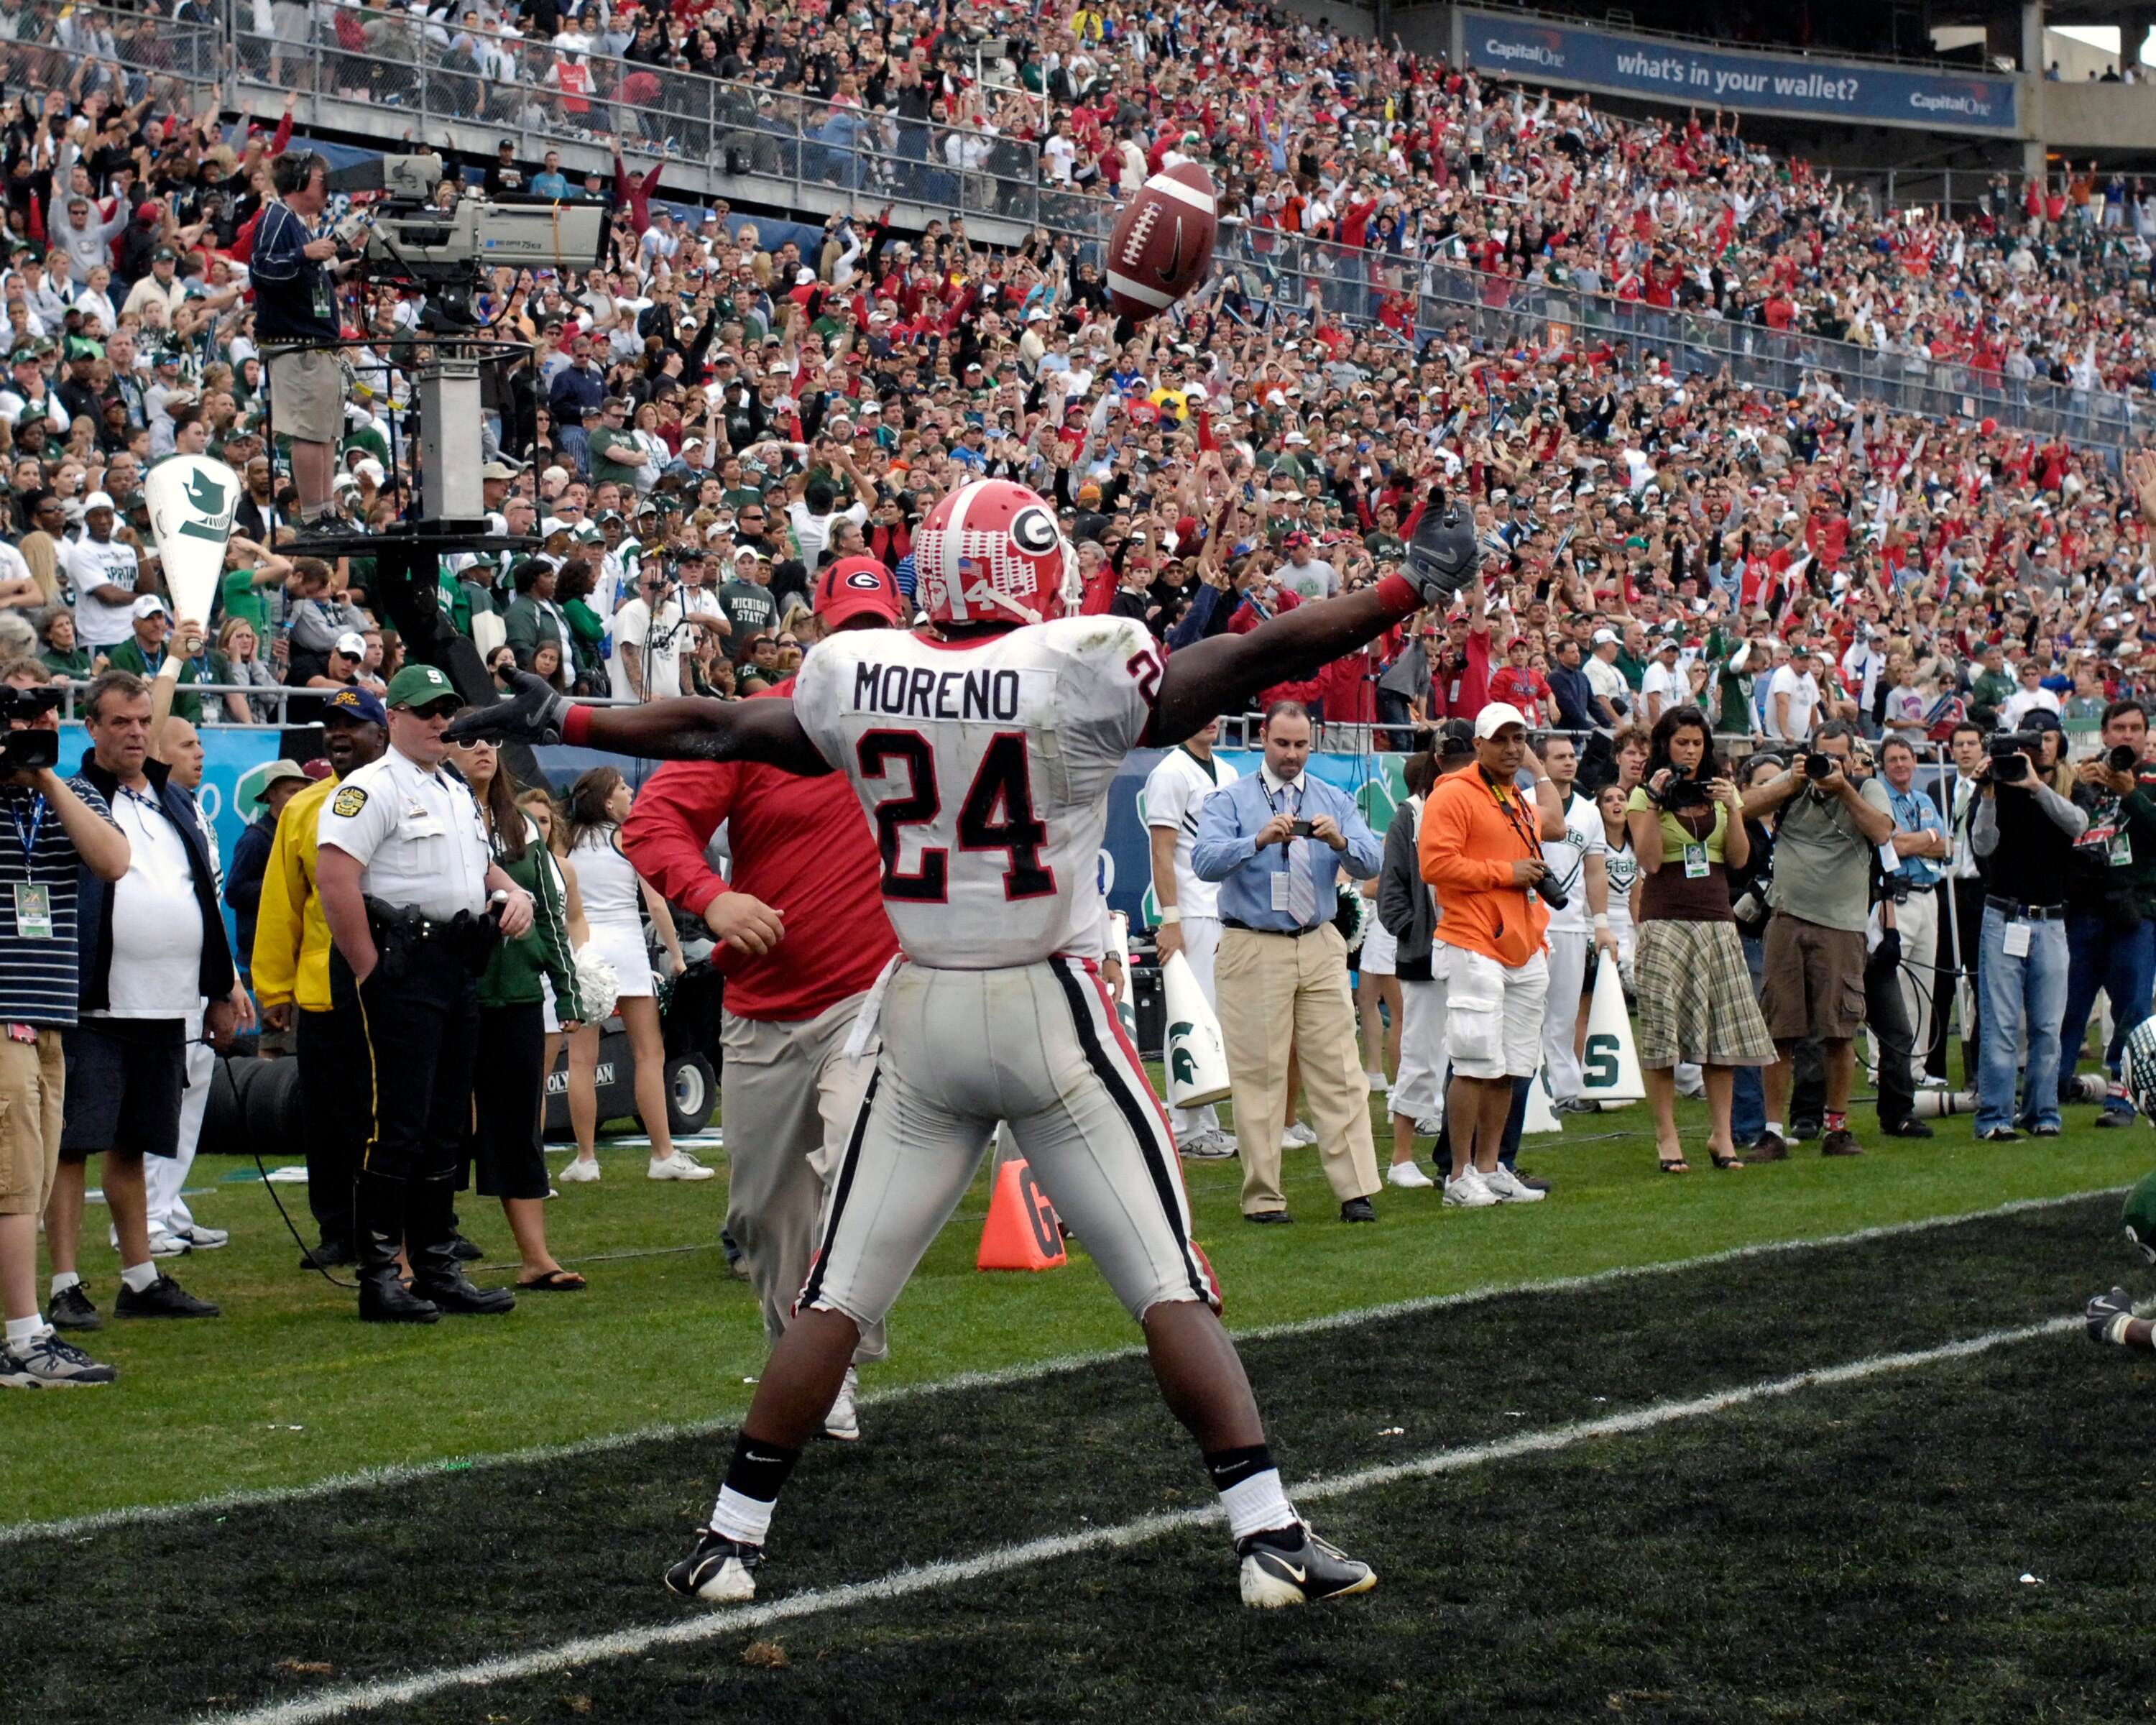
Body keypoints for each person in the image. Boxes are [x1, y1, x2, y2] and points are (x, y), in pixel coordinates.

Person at [452, 477, 1483, 1610]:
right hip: (1046, 1001)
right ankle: (1269, 1534)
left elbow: (720, 725)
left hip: (921, 1008)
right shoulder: (1079, 662)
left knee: (835, 1295)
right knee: (1168, 1285)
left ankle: (729, 1541)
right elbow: (1258, 653)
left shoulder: (861, 672)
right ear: (1032, 568)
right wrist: (1407, 585)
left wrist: (562, 720)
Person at [619, 554, 908, 1443]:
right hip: (766, 1008)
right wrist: (712, 897)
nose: (863, 646)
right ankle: (810, 1351)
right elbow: (652, 821)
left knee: (861, 1166)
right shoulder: (763, 723)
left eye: (877, 630)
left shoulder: (930, 724)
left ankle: (834, 1358)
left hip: (880, 998)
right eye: (849, 629)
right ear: (815, 631)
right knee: (763, 1217)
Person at [314, 663, 536, 1322]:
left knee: (444, 1125)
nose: (442, 722)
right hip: (401, 967)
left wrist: (512, 889)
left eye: (447, 710)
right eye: (426, 711)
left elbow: (478, 861)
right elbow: (335, 880)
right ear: (395, 719)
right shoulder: (369, 788)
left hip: (455, 962)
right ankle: (381, 1274)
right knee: (397, 1123)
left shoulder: (451, 789)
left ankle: (436, 1265)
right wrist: (369, 971)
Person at [45, 671, 234, 1331]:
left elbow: (202, 898)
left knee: (134, 1145)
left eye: (141, 720)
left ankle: (139, 1275)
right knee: (72, 1144)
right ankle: (65, 1283)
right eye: (120, 722)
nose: (133, 732)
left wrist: (219, 986)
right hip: (94, 1003)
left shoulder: (173, 800)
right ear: (91, 728)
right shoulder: (72, 796)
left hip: (170, 1002)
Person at [1193, 700, 1386, 1225]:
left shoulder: (1334, 799)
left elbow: (1372, 861)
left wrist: (1340, 841)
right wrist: (1255, 841)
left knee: (1340, 1069)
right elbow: (1204, 860)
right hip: (1252, 942)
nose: (1292, 755)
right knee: (1260, 1074)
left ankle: (1356, 1191)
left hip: (1319, 941)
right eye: (1282, 744)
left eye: (1301, 745)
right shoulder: (1229, 800)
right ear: (1262, 738)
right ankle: (1263, 1196)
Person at [0, 657, 129, 1386]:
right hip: (5, 1015)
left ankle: (21, 1334)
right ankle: (25, 1339)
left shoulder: (69, 790)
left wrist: (45, 776)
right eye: (19, 712)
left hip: (48, 1017)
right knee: (14, 1184)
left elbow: (113, 861)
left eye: (46, 709)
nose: (35, 722)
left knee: (34, 1174)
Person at [252, 688, 390, 1268]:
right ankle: (337, 1227)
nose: (339, 735)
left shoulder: (410, 795)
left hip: (400, 983)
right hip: (325, 988)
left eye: (353, 725)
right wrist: (275, 988)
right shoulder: (304, 810)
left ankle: (421, 1222)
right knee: (329, 1114)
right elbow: (281, 901)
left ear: (382, 735)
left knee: (400, 1111)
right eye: (331, 725)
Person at [448, 736, 586, 1290]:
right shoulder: (435, 811)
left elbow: (551, 911)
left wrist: (567, 990)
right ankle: (411, 1259)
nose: (482, 748)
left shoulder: (522, 825)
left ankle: (537, 1258)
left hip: (519, 997)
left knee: (517, 1127)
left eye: (490, 739)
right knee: (440, 1126)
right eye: (465, 738)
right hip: (449, 994)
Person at [1417, 701, 1565, 1208]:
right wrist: (1506, 874)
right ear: (1477, 745)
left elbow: (1555, 829)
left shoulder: (1515, 797)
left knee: (1513, 1064)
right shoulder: (1453, 794)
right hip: (1473, 938)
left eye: (1518, 738)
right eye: (1500, 739)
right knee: (1475, 1058)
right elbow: (1435, 865)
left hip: (1521, 941)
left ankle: (1491, 1166)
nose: (1510, 747)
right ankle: (1458, 1175)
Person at [1625, 707, 1776, 1172]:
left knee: (1721, 1034)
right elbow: (1649, 862)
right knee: (1662, 1035)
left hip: (1716, 920)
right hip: (1665, 920)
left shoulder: (1716, 794)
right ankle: (1667, 1137)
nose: (1691, 751)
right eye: (1681, 743)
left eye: (1697, 743)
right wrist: (1654, 798)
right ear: (1664, 746)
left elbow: (1738, 859)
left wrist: (1733, 806)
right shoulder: (1640, 796)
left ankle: (1721, 1135)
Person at [1740, 719, 1897, 1159]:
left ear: (1851, 756)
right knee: (1779, 1030)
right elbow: (1739, 808)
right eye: (1822, 754)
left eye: (1838, 755)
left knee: (1839, 1031)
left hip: (1843, 924)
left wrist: (1843, 786)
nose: (1828, 763)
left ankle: (1837, 1128)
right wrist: (1790, 781)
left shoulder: (1866, 789)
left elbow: (1883, 833)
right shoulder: (1793, 788)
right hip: (1787, 918)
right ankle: (1773, 1132)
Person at [552, 767, 702, 1183]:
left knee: (582, 1061)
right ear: (607, 802)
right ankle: (663, 1154)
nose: (630, 791)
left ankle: (585, 1161)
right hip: (628, 950)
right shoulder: (629, 838)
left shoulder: (564, 842)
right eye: (622, 787)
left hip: (583, 951)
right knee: (649, 1056)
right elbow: (656, 906)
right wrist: (676, 955)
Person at [1971, 724, 2086, 1140]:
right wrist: (1987, 792)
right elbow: (1982, 846)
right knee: (2001, 1025)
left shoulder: (2069, 787)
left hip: (2052, 920)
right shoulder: (1996, 786)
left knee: (2047, 1026)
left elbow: (2077, 824)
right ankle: (1995, 1118)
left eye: (2041, 745)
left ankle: (2042, 1112)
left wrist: (2036, 786)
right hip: (2004, 914)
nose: (2029, 755)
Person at [1143, 718, 1240, 1159]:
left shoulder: (1230, 771)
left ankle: (1205, 1121)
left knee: (1215, 1017)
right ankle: (1183, 1126)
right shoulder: (1169, 773)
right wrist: (1171, 919)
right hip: (1191, 911)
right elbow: (1161, 850)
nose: (1213, 720)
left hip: (1222, 911)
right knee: (1188, 1015)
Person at [2058, 699, 2156, 1126]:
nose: (2127, 736)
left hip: (2136, 908)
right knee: (2068, 1003)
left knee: (2133, 1004)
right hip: (2084, 907)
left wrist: (2130, 793)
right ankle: (2051, 1089)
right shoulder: (2082, 776)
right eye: (2119, 728)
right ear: (2104, 733)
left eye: (2136, 728)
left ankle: (2123, 1095)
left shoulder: (2151, 781)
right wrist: (2074, 787)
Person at [252, 152, 359, 534]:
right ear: (298, 181)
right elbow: (261, 268)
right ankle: (314, 517)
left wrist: (337, 271)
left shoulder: (299, 224)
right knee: (311, 433)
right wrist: (304, 254)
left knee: (327, 433)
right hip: (297, 346)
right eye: (320, 178)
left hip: (316, 346)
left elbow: (301, 278)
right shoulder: (277, 217)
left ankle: (327, 512)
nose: (328, 186)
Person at [1531, 732, 1620, 1113]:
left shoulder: (1589, 811)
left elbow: (1596, 871)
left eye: (1572, 756)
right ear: (1541, 763)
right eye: (1559, 757)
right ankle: (1530, 1088)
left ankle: (1567, 1089)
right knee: (1528, 1009)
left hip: (1571, 925)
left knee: (1565, 1013)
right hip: (1531, 921)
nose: (1569, 762)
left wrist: (1600, 923)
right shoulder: (1524, 802)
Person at [1375, 749, 1444, 1188]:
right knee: (1420, 1053)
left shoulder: (1482, 804)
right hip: (1426, 953)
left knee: (1472, 1054)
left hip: (1476, 949)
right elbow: (1391, 887)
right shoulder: (1411, 815)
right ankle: (1402, 1158)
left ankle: (1470, 1156)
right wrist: (1414, 931)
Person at [1876, 737, 1948, 1106]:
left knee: (1924, 981)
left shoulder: (1923, 799)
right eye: (1893, 759)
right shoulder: (1879, 796)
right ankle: (1881, 1066)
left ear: (1915, 761)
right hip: (1895, 896)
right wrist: (1928, 838)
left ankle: (1917, 1067)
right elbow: (1893, 846)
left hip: (1928, 893)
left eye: (1905, 757)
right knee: (1889, 981)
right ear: (1883, 764)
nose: (1900, 764)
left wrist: (1921, 839)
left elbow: (1946, 845)